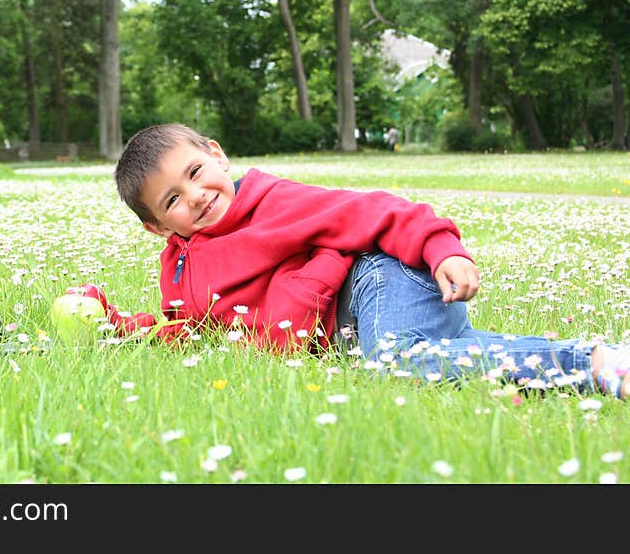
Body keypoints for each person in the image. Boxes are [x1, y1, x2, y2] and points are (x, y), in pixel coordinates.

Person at [79, 123, 630, 400]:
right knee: (440, 357)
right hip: (360, 321)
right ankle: (602, 357)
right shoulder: (181, 269)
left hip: (379, 277)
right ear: (158, 226)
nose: (195, 195)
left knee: (397, 361)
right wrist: (119, 327)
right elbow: (191, 329)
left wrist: (443, 248)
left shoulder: (276, 201)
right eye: (173, 198)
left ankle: (594, 366)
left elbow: (375, 210)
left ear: (217, 155)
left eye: (196, 172)